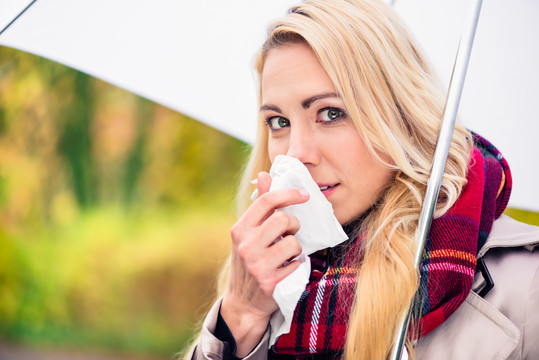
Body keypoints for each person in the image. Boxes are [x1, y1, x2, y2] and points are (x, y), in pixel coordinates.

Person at [186, 0, 539, 359]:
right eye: (279, 122)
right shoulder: (266, 274)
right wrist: (241, 318)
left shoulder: (527, 289)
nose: (296, 153)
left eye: (331, 113)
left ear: (400, 117)